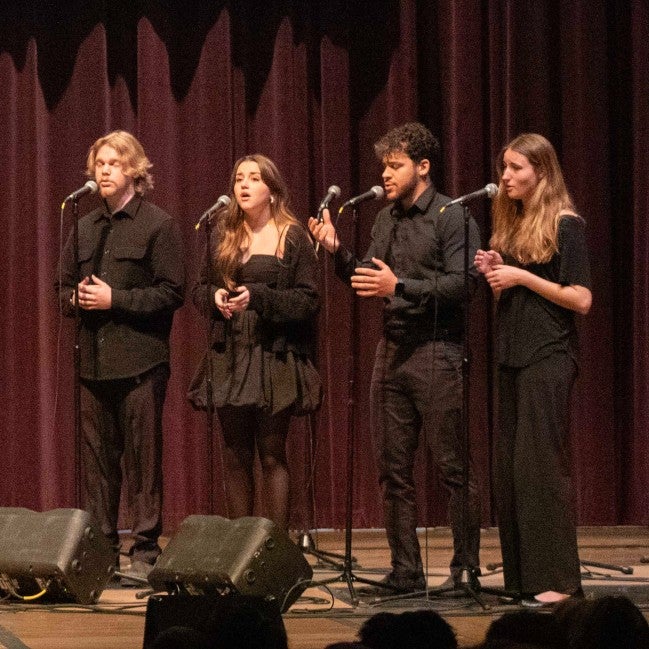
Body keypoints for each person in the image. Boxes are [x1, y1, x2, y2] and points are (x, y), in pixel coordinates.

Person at [309, 122, 482, 593]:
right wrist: (338, 252)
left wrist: (400, 286)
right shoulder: (386, 219)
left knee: (452, 467)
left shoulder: (452, 216)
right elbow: (369, 277)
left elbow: (464, 285)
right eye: (383, 165)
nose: (385, 174)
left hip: (439, 351)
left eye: (395, 165)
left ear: (422, 168)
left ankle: (465, 571)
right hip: (392, 351)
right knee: (392, 470)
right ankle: (406, 571)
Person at [56, 130, 185, 582]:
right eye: (99, 164)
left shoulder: (158, 224)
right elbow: (62, 287)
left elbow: (172, 292)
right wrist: (75, 299)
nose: (104, 171)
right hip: (92, 362)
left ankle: (146, 548)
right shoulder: (83, 225)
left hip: (140, 362)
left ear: (134, 170)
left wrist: (118, 300)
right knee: (98, 462)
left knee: (142, 459)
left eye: (113, 163)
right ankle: (102, 547)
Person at [475, 133, 592, 605]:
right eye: (504, 167)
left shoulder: (567, 225)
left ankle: (559, 582)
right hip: (512, 356)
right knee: (511, 470)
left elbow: (581, 299)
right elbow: (515, 298)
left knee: (542, 468)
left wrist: (522, 275)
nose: (505, 177)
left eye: (516, 168)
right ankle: (523, 578)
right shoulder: (517, 224)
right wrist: (499, 271)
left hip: (548, 357)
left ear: (540, 172)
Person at [188, 154, 321, 530]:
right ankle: (239, 550)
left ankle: (274, 550)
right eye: (238, 179)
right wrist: (214, 298)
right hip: (230, 353)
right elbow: (197, 290)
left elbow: (308, 300)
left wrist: (258, 298)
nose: (243, 185)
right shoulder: (222, 233)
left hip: (272, 356)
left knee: (271, 454)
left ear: (272, 190)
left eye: (254, 178)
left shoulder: (291, 235)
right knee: (234, 454)